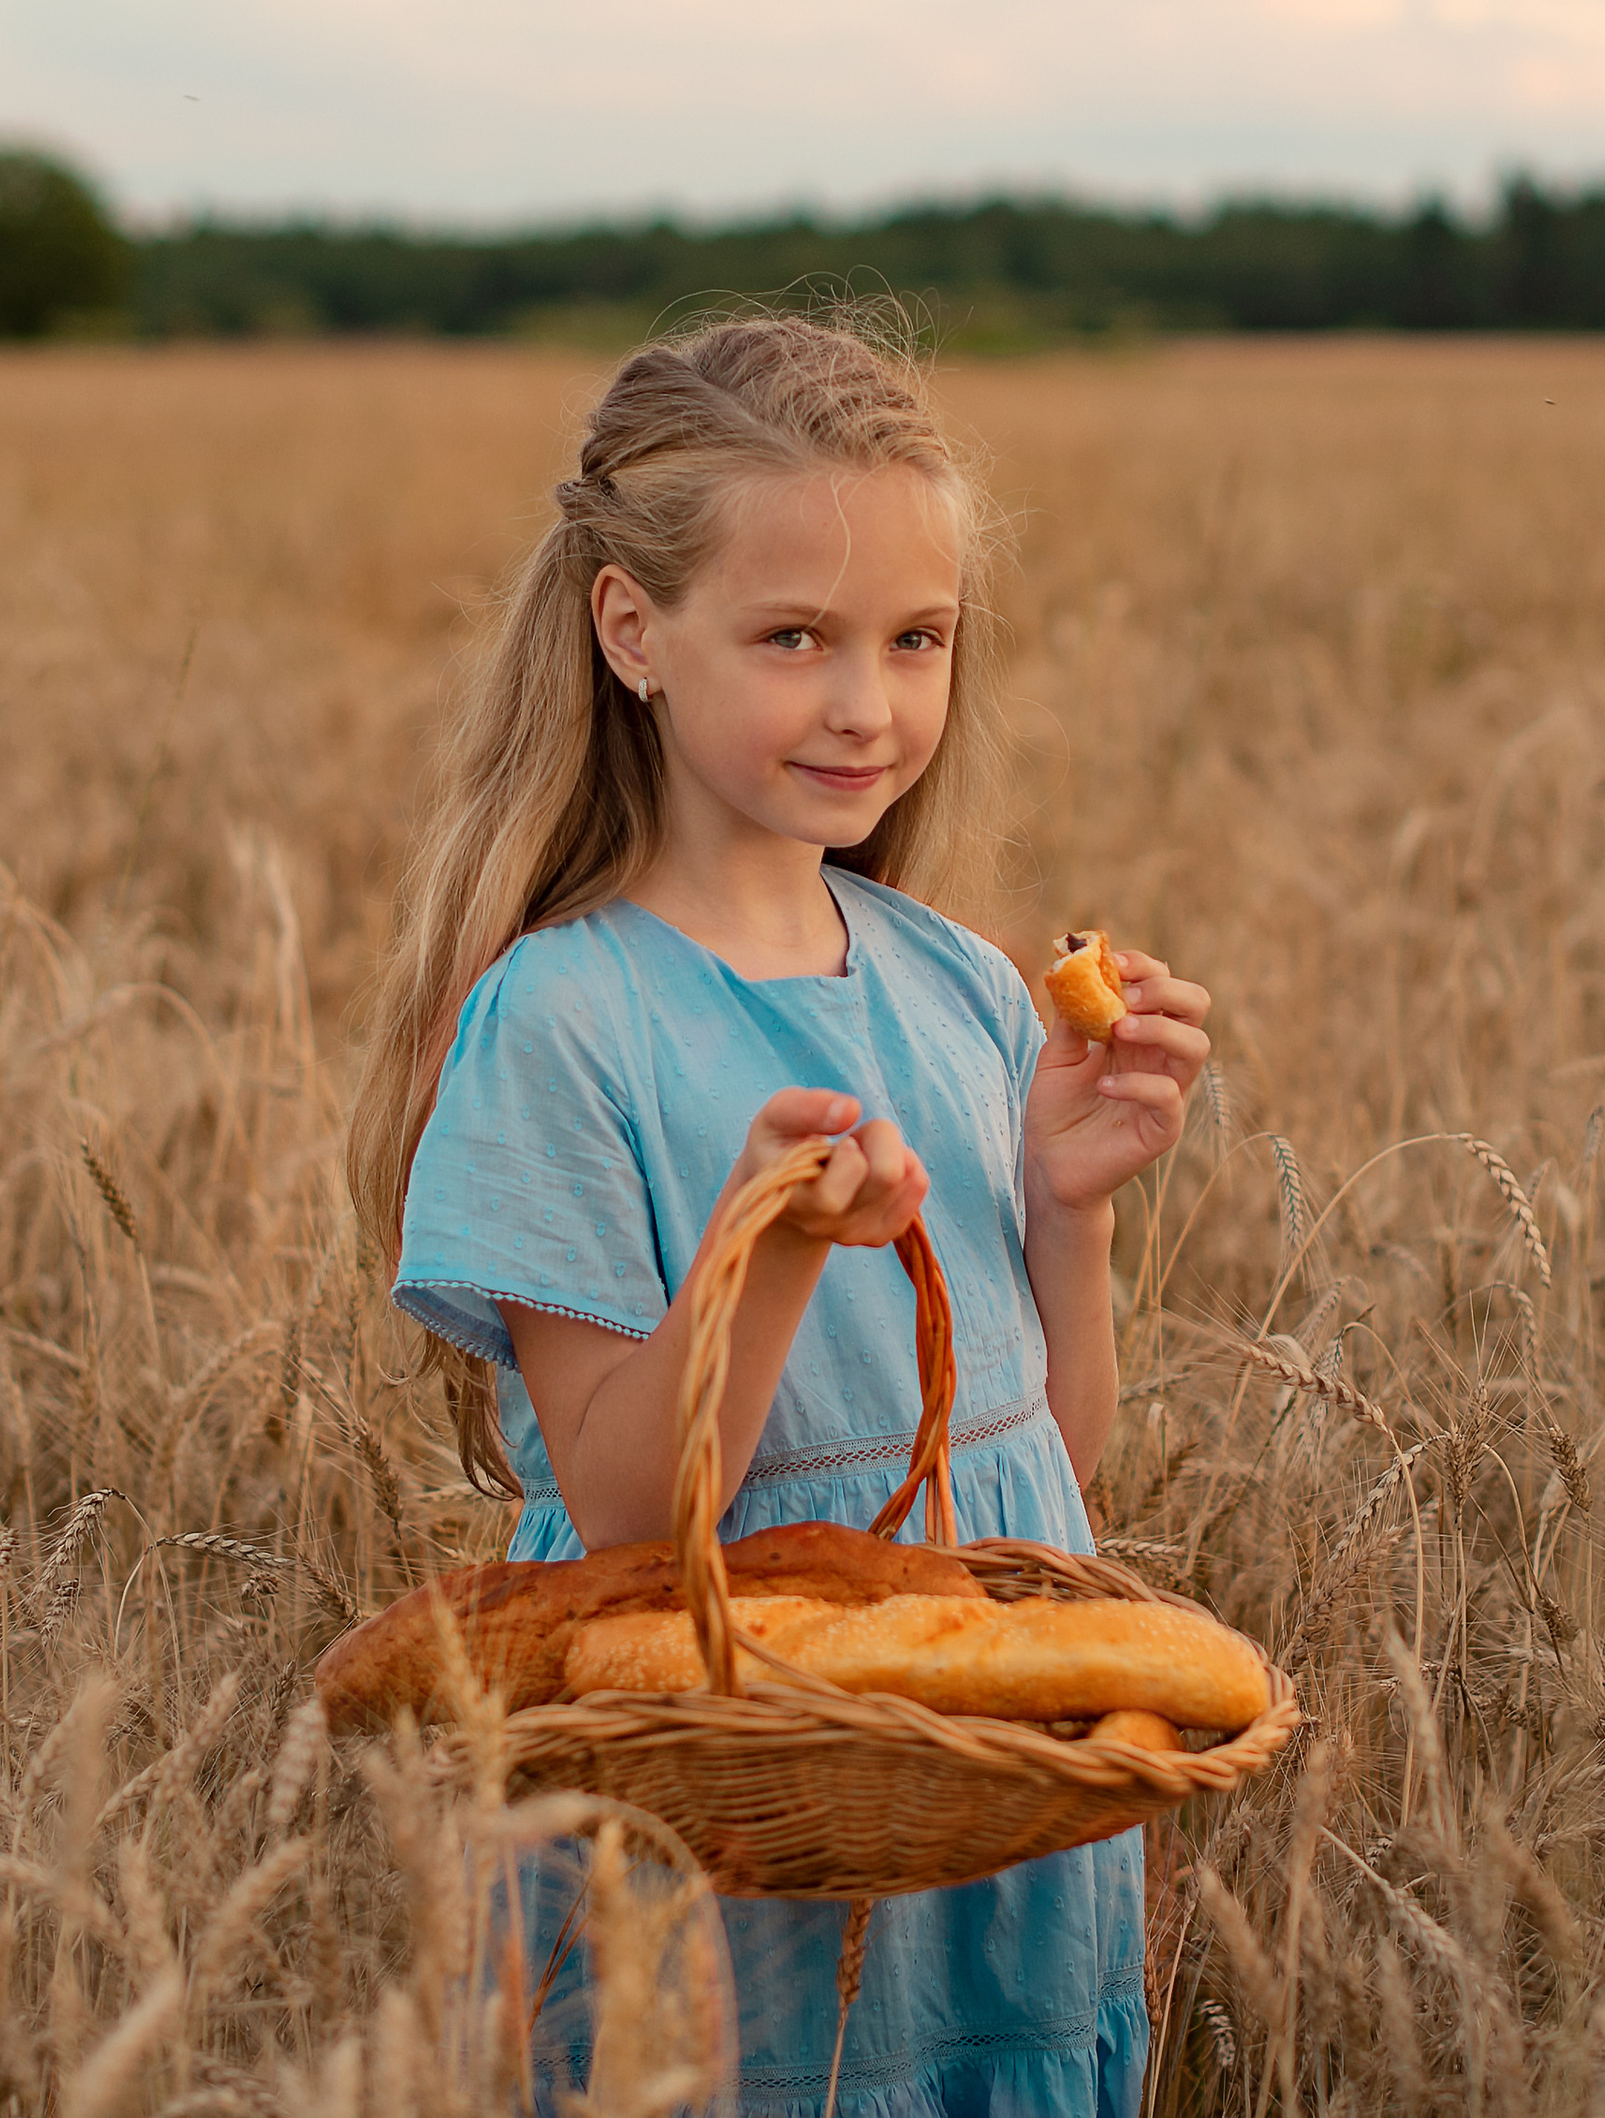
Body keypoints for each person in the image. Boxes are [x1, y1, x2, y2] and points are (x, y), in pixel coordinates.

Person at [345, 311, 1211, 2117]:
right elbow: (628, 1510)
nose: (865, 705)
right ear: (633, 631)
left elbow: (1039, 1474)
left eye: (917, 641)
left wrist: (1070, 1210)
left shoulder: (967, 991)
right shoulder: (562, 1022)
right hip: (729, 1815)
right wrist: (776, 1244)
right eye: (795, 638)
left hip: (990, 1797)